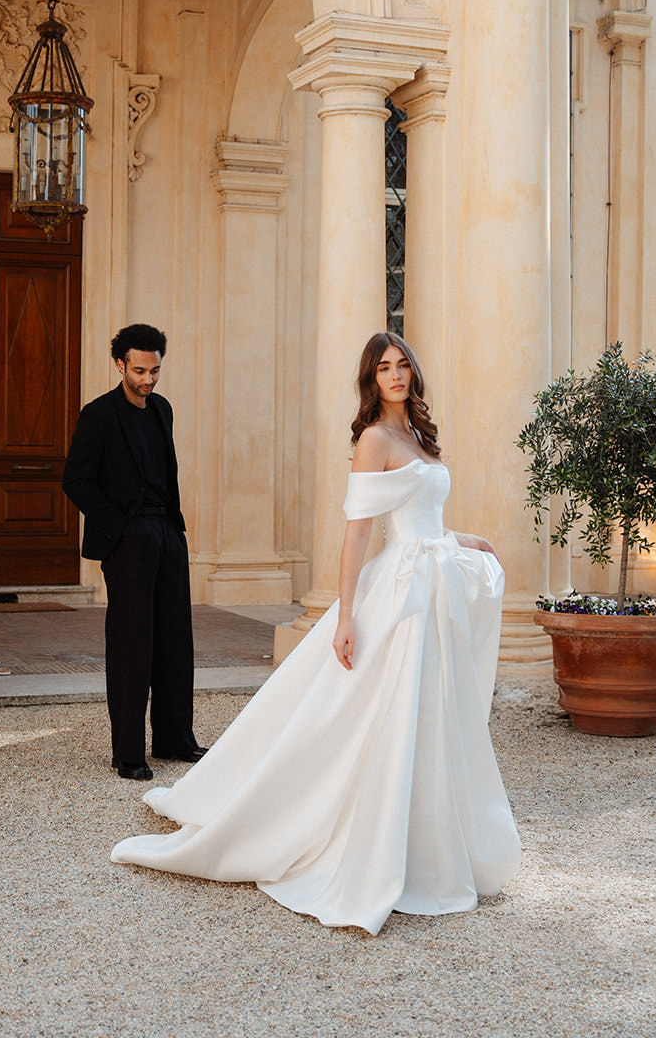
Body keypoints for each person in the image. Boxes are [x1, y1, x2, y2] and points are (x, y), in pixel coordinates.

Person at [110, 330, 521, 934]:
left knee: (430, 712)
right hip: (400, 592)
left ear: (413, 372)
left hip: (431, 584)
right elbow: (360, 533)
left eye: (402, 365)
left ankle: (428, 840)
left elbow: (422, 518)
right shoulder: (375, 439)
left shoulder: (418, 435)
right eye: (383, 368)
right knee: (376, 710)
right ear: (371, 379)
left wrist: (465, 538)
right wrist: (347, 615)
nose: (395, 375)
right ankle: (345, 834)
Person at [63, 324, 205, 780]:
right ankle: (128, 753)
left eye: (155, 370)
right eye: (139, 370)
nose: (148, 379)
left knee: (175, 641)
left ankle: (174, 739)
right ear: (120, 365)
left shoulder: (162, 409)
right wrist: (119, 528)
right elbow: (76, 480)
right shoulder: (98, 414)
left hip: (167, 532)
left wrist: (173, 529)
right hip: (128, 541)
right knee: (131, 644)